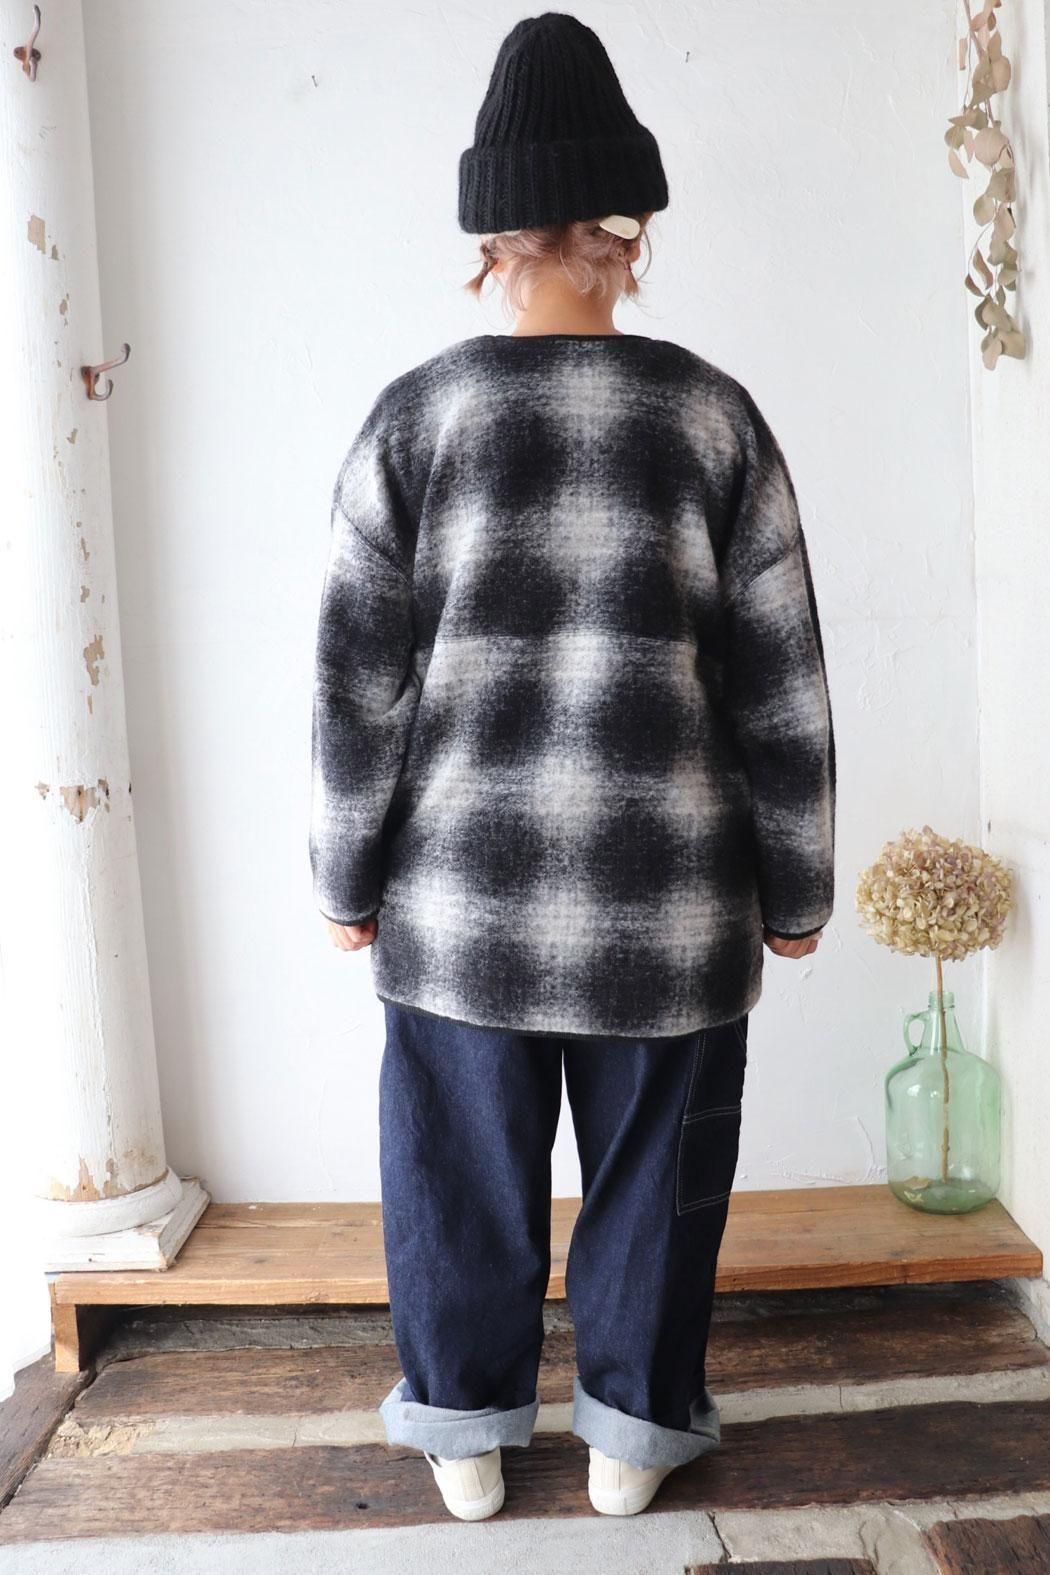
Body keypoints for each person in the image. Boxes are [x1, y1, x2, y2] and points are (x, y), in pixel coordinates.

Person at [310, 11, 835, 1523]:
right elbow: (781, 685)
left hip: (459, 907)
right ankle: (631, 1435)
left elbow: (354, 689)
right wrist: (795, 889)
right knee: (656, 1184)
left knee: (456, 1176)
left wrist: (346, 877)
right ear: (628, 233)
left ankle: (466, 1435)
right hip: (668, 911)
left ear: (488, 241)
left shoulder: (413, 423)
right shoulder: (711, 418)